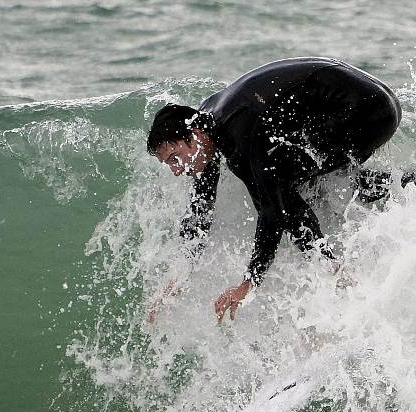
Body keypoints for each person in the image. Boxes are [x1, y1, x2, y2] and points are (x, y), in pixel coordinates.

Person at [145, 57, 402, 323]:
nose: (177, 170)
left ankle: (334, 270)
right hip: (370, 97)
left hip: (366, 112)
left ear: (194, 136)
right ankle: (403, 186)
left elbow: (271, 211)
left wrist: (249, 282)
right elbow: (200, 208)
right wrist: (178, 276)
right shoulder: (206, 123)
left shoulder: (240, 133)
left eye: (175, 158)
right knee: (296, 179)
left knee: (277, 187)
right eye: (169, 164)